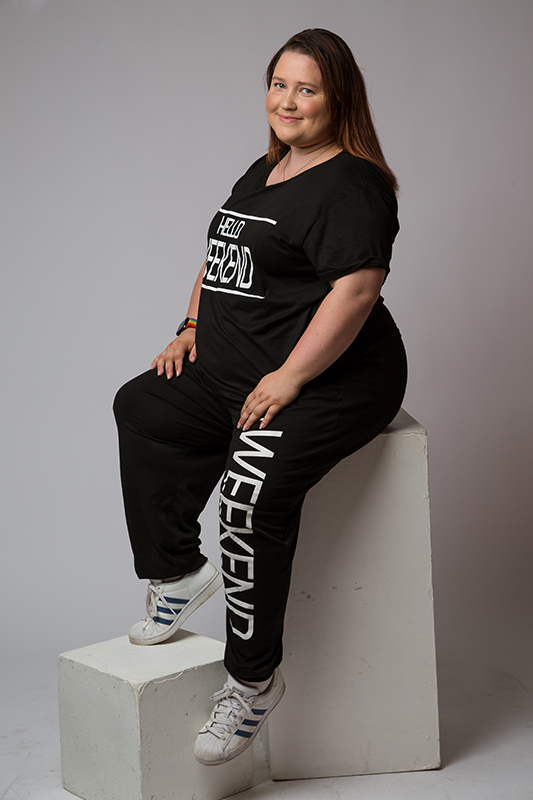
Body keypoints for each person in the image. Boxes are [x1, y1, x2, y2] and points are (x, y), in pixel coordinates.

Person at [113, 28, 407, 766]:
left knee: (246, 501)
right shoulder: (268, 168)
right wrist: (189, 328)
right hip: (234, 368)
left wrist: (292, 377)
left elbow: (356, 291)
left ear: (338, 98)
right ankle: (178, 573)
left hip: (333, 379)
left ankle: (251, 683)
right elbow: (221, 258)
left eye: (307, 89)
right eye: (279, 85)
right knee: (143, 407)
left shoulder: (354, 185)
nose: (288, 101)